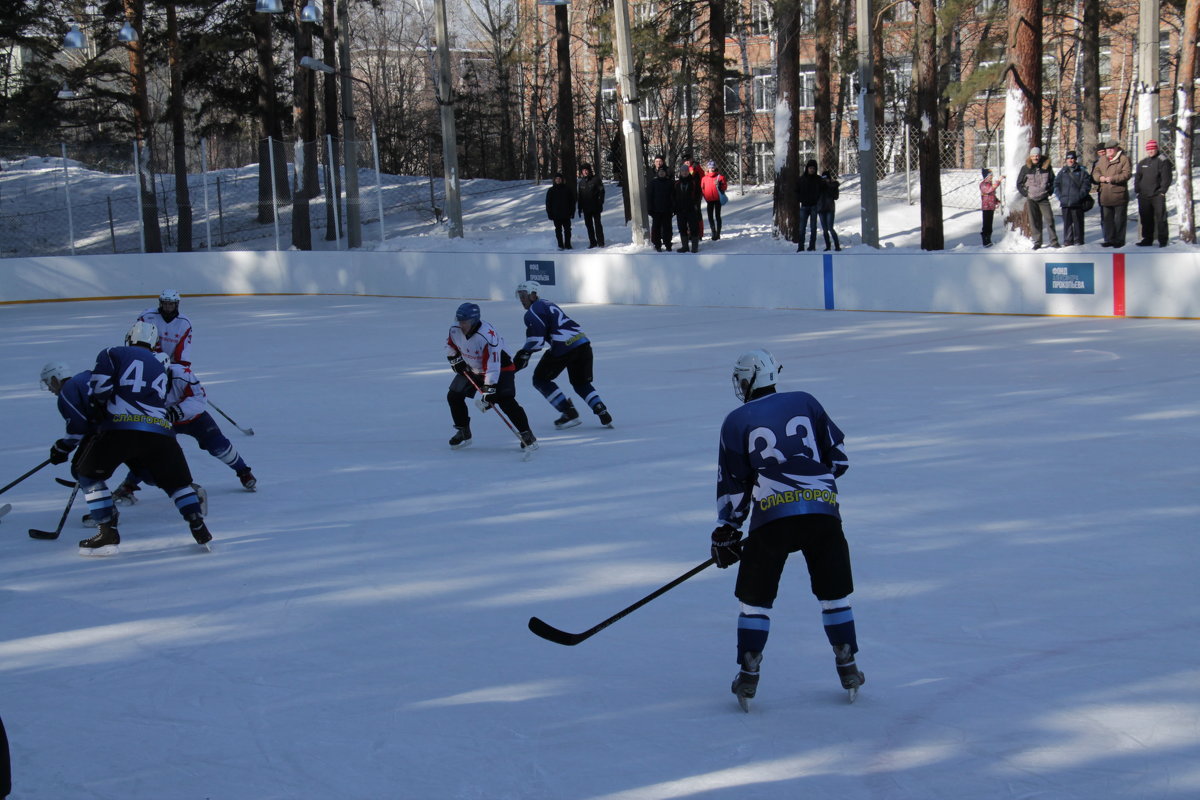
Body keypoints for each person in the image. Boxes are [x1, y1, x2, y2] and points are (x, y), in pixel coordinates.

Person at [709, 349, 861, 710]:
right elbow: (838, 458)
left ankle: (749, 671)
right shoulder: (807, 401)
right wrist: (813, 485)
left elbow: (733, 484)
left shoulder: (735, 421)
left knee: (755, 600)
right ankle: (848, 662)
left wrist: (726, 528)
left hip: (771, 518)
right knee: (834, 593)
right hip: (823, 513)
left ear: (748, 379)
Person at [71, 321, 213, 556]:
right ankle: (198, 524)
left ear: (129, 337)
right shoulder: (161, 366)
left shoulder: (112, 352)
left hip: (120, 428)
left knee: (87, 475)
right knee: (177, 484)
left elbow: (100, 389)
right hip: (161, 432)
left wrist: (96, 412)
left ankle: (107, 531)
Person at [107, 359, 257, 503]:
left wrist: (178, 411)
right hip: (163, 423)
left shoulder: (182, 374)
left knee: (218, 445)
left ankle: (243, 471)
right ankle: (129, 485)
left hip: (194, 418)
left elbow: (199, 398)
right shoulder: (143, 381)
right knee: (151, 454)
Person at [512, 281, 613, 429]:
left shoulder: (532, 312)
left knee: (540, 379)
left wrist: (523, 355)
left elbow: (536, 341)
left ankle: (568, 412)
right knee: (581, 383)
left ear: (534, 295)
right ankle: (600, 409)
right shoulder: (547, 303)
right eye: (519, 295)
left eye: (524, 295)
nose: (522, 299)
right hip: (582, 343)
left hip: (563, 347)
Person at [444, 302, 537, 451]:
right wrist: (454, 359)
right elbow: (450, 345)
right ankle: (463, 430)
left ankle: (527, 434)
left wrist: (489, 387)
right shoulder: (455, 329)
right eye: (459, 321)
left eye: (465, 322)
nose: (461, 325)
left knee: (505, 400)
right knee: (454, 395)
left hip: (501, 368)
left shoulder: (487, 335)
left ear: (474, 321)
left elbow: (492, 364)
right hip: (473, 367)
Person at [1016, 146, 1060, 249]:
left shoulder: (1047, 166)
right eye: (1033, 155)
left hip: (1043, 198)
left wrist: (1049, 191)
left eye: (1037, 155)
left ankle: (1054, 241)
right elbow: (1019, 183)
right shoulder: (1025, 168)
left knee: (1049, 219)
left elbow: (1053, 181)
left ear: (1040, 156)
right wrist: (1026, 194)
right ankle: (1037, 242)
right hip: (1031, 199)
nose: (1035, 157)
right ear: (1030, 157)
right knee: (1034, 221)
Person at [137, 289, 193, 365]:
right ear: (161, 303)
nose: (167, 307)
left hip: (171, 364)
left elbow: (183, 349)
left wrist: (180, 366)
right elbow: (139, 342)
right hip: (149, 361)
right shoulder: (147, 317)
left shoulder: (184, 323)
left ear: (176, 304)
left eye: (171, 304)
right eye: (165, 304)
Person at [1134, 140, 1173, 247]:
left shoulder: (1163, 161)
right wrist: (1138, 191)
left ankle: (1163, 240)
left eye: (1152, 148)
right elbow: (1137, 178)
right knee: (1146, 218)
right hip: (1144, 195)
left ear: (1156, 148)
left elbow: (1167, 178)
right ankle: (1147, 239)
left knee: (1161, 218)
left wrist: (1162, 191)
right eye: (1149, 149)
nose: (1150, 151)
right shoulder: (1143, 162)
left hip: (1157, 195)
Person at [1092, 140, 1131, 247]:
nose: (1108, 151)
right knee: (1107, 219)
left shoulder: (1124, 159)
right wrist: (1100, 178)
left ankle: (1119, 240)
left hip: (1119, 194)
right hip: (1105, 194)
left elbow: (1127, 174)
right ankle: (1109, 239)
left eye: (1111, 149)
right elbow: (1095, 171)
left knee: (1119, 220)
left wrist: (1113, 179)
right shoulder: (1102, 159)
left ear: (1116, 149)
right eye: (1107, 149)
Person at [1054, 151, 1091, 246]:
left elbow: (1086, 186)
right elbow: (1056, 185)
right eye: (1068, 158)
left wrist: (1079, 196)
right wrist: (1060, 197)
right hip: (1065, 203)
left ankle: (1079, 241)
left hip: (1077, 203)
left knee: (1078, 224)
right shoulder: (1062, 172)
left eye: (1072, 158)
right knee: (1067, 224)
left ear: (1075, 159)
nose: (1070, 160)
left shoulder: (1082, 172)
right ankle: (1068, 241)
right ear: (1066, 160)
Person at [673, 161, 703, 253]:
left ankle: (695, 247)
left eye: (686, 171)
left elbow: (698, 194)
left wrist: (695, 205)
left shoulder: (693, 182)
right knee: (682, 227)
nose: (684, 173)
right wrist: (675, 207)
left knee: (694, 227)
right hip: (680, 210)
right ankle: (685, 246)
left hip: (691, 209)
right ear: (680, 173)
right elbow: (673, 196)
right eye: (682, 171)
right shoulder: (677, 184)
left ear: (688, 172)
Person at [577, 162, 606, 248]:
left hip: (595, 207)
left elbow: (602, 191)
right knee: (589, 226)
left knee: (597, 225)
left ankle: (601, 242)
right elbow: (580, 197)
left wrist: (600, 202)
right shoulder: (581, 183)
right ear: (581, 172)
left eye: (586, 170)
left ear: (589, 170)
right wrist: (579, 208)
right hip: (586, 208)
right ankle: (592, 242)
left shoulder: (596, 180)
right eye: (583, 170)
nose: (585, 172)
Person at [795, 159, 822, 251]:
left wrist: (818, 200)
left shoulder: (818, 180)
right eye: (810, 168)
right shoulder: (801, 179)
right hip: (804, 206)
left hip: (814, 206)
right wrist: (800, 199)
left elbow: (823, 191)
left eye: (813, 168)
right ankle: (801, 246)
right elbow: (796, 191)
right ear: (807, 168)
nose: (811, 170)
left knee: (813, 228)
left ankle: (812, 246)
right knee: (802, 228)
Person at [647, 165, 675, 252]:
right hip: (656, 210)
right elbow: (649, 196)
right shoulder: (653, 183)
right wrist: (650, 208)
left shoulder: (670, 182)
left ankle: (668, 244)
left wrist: (673, 208)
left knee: (667, 228)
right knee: (656, 228)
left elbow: (673, 196)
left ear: (666, 173)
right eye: (660, 172)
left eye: (663, 172)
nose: (662, 173)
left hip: (667, 210)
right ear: (658, 173)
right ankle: (657, 244)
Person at [545, 173, 574, 250]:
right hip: (556, 215)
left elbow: (572, 202)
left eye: (559, 178)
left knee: (567, 230)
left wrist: (572, 212)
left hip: (566, 214)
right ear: (554, 180)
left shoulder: (567, 189)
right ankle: (560, 245)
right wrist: (549, 213)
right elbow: (548, 203)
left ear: (562, 180)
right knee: (558, 230)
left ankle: (568, 244)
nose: (558, 180)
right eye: (556, 179)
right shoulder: (551, 190)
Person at [700, 161, 727, 241]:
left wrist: (720, 185)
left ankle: (718, 233)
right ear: (707, 168)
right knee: (710, 216)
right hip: (709, 200)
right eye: (710, 167)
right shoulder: (704, 178)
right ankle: (713, 232)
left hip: (717, 199)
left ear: (715, 168)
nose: (711, 169)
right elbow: (702, 188)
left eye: (713, 167)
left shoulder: (720, 177)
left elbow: (724, 187)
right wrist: (705, 197)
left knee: (717, 216)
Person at [817, 170, 841, 251]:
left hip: (830, 208)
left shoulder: (833, 185)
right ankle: (828, 246)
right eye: (823, 178)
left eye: (826, 178)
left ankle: (837, 245)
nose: (825, 179)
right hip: (821, 209)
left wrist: (828, 185)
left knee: (830, 228)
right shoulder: (819, 185)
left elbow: (836, 197)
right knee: (824, 229)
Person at [979, 169, 1003, 247]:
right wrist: (998, 181)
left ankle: (989, 239)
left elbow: (992, 194)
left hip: (991, 207)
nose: (992, 177)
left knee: (989, 224)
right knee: (986, 224)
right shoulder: (984, 184)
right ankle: (985, 240)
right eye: (990, 175)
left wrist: (997, 201)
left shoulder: (989, 184)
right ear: (986, 176)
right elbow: (990, 190)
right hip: (986, 207)